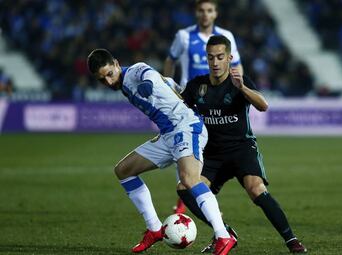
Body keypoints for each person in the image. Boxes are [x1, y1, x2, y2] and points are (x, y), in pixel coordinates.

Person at [87, 48, 237, 255]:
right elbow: (168, 82)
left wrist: (148, 85)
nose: (108, 82)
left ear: (116, 63)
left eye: (109, 74)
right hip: (168, 135)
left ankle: (223, 236)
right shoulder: (122, 85)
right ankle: (155, 229)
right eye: (102, 80)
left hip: (186, 127)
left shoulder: (134, 71)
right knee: (123, 170)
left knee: (189, 179)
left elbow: (147, 73)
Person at [179, 35, 308, 253]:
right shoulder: (196, 86)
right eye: (211, 58)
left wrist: (243, 89)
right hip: (211, 154)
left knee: (256, 188)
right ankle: (224, 232)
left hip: (241, 149)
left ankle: (291, 239)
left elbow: (263, 105)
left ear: (229, 58)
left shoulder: (240, 82)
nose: (215, 62)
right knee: (186, 188)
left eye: (220, 57)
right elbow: (180, 110)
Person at [164, 0, 243, 214]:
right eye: (201, 10)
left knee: (213, 148)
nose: (205, 14)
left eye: (209, 10)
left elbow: (236, 66)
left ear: (216, 13)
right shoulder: (184, 36)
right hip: (190, 100)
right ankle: (184, 200)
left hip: (216, 100)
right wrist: (168, 88)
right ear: (196, 13)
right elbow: (170, 61)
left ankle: (201, 194)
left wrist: (239, 92)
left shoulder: (226, 37)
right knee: (182, 147)